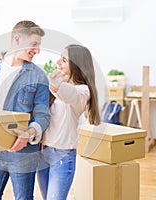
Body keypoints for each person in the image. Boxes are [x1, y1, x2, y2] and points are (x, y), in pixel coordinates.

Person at [0, 20, 51, 200]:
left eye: (39, 46)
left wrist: (30, 133)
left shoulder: (38, 76)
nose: (37, 51)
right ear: (17, 39)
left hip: (22, 155)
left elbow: (43, 115)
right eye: (34, 44)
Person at [37, 44, 101, 200]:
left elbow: (69, 94)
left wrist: (56, 85)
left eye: (64, 60)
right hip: (43, 152)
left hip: (62, 156)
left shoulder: (83, 91)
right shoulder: (55, 87)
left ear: (76, 65)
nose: (58, 61)